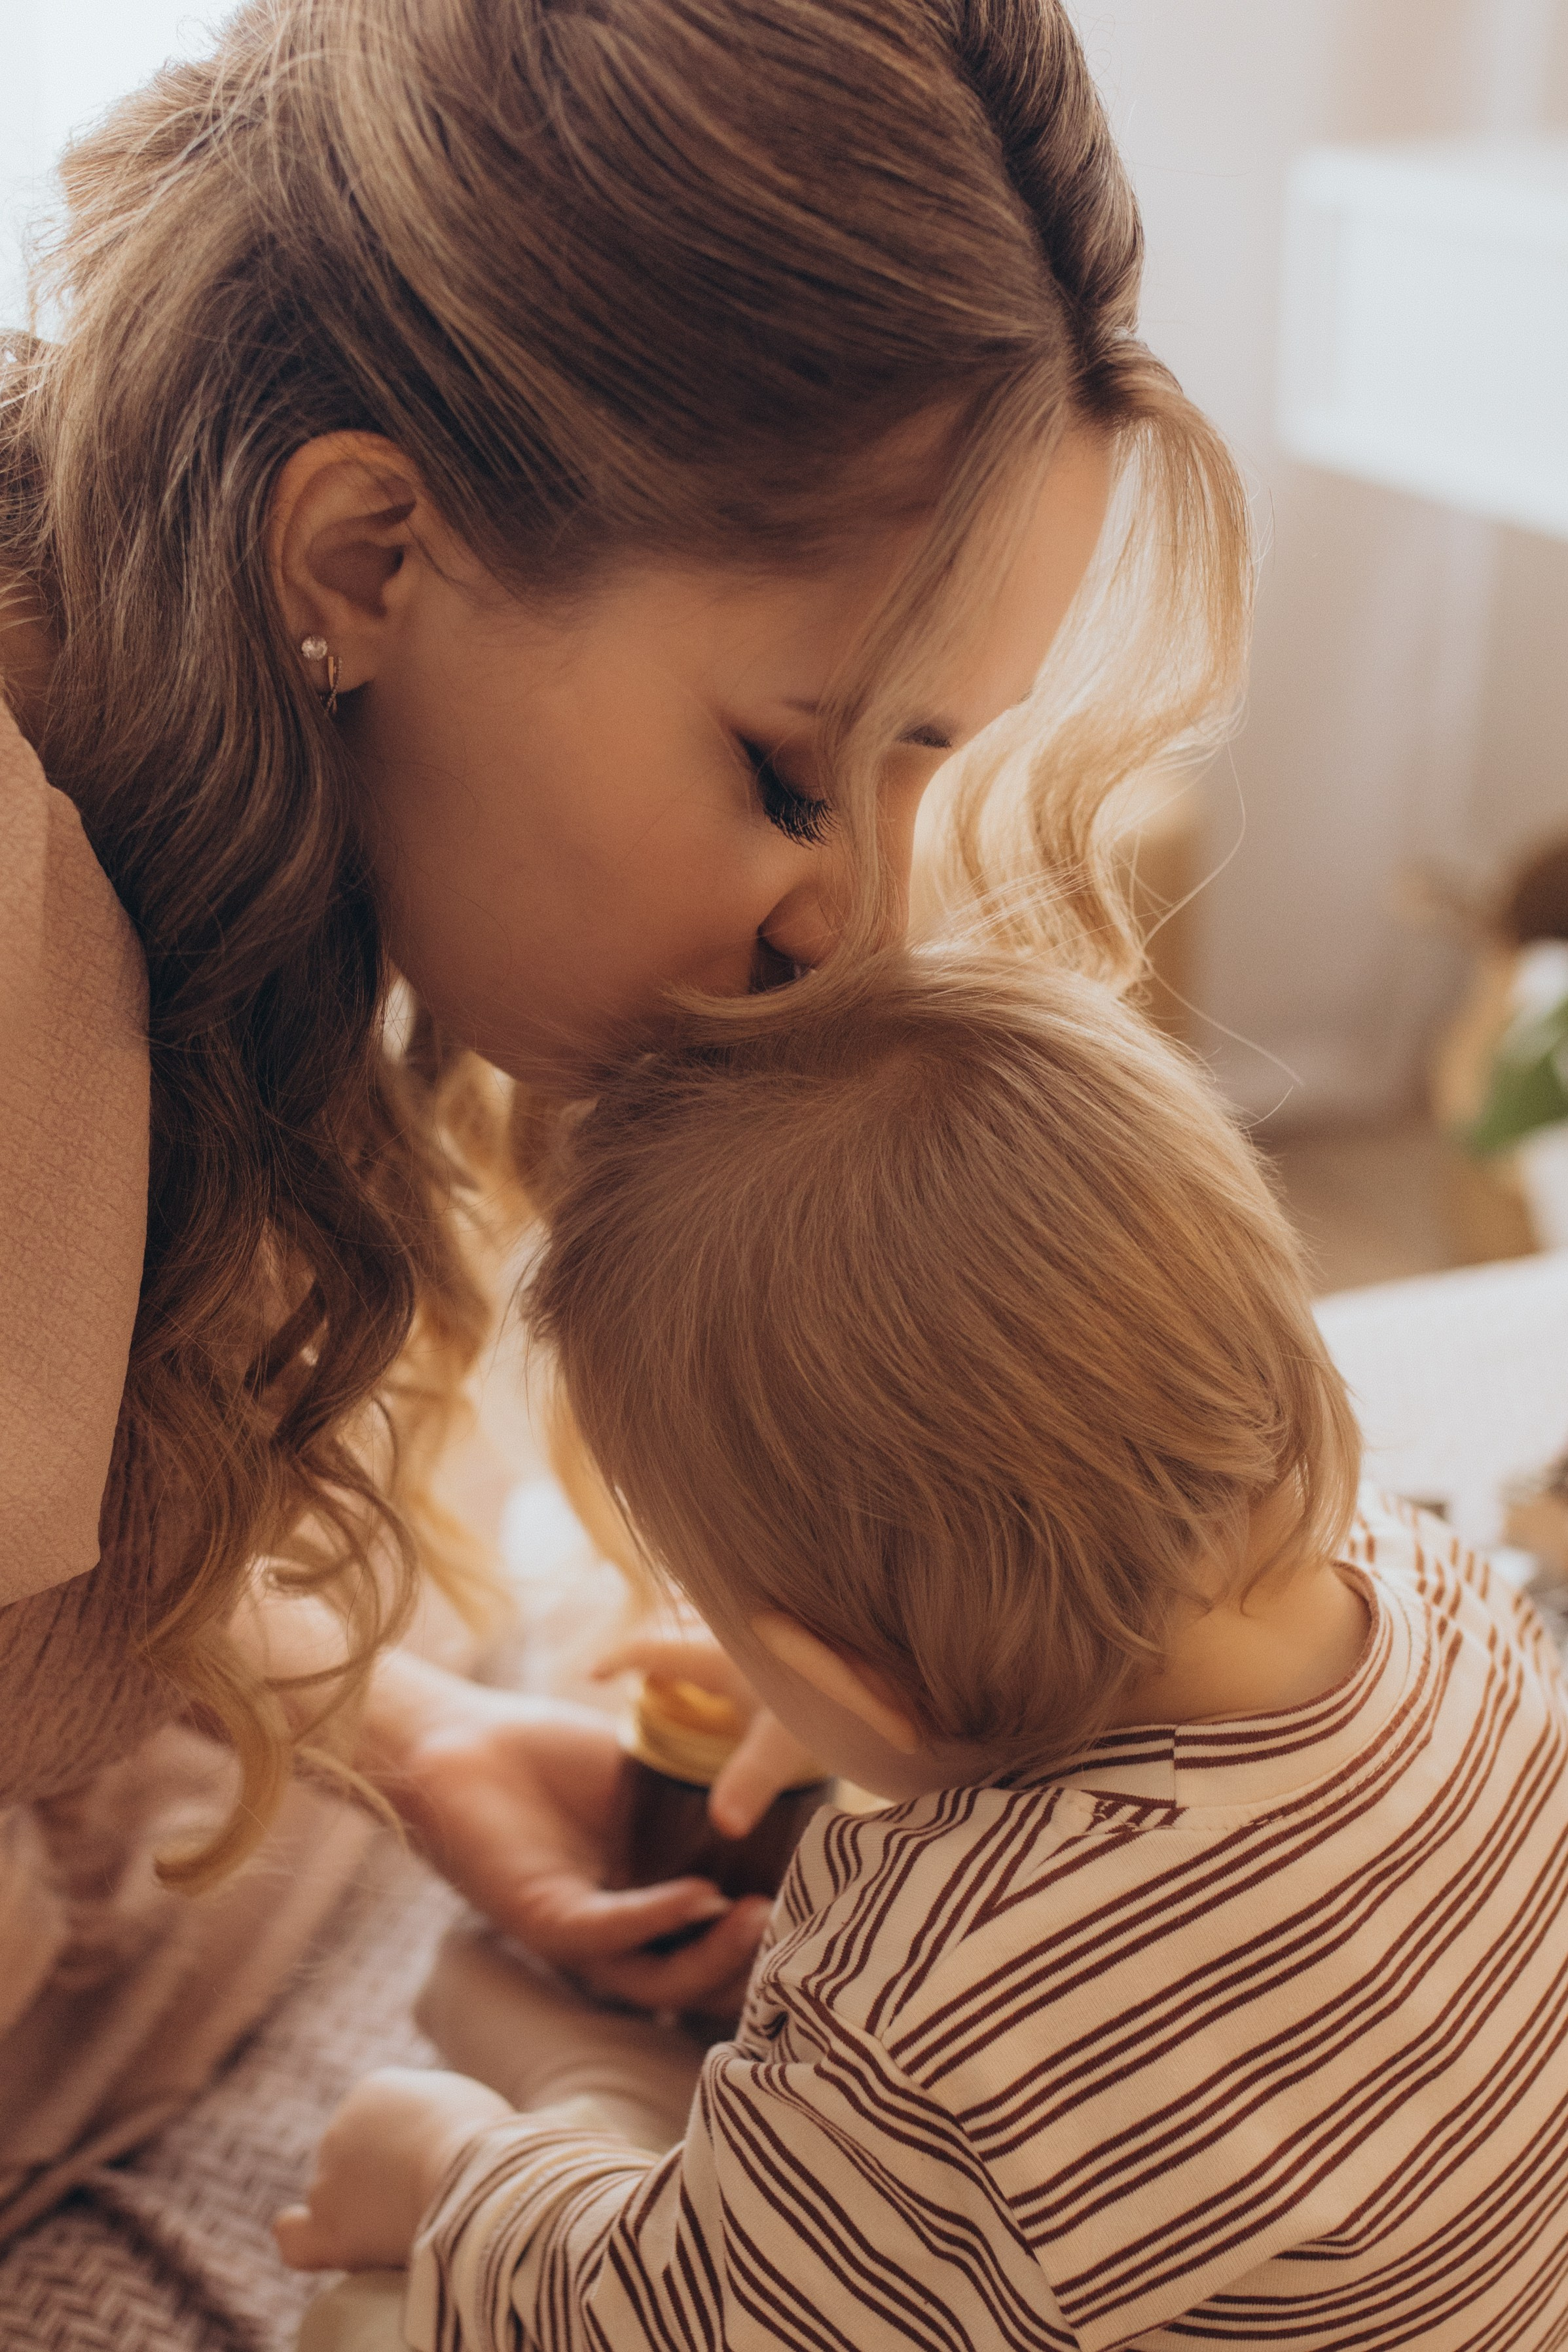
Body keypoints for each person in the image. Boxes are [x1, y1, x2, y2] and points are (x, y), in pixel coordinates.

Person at [0, 0, 1247, 2255]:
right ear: (366, 557)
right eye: (789, 770)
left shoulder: (214, 820)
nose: (850, 925)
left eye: (919, 771)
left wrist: (393, 1729)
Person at [278, 949, 1568, 2351]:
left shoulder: (944, 1989)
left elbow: (667, 2322)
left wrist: (446, 2171)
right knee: (519, 2013)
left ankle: (563, 2097)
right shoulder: (1440, 1584)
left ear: (843, 1674)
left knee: (369, 2299)